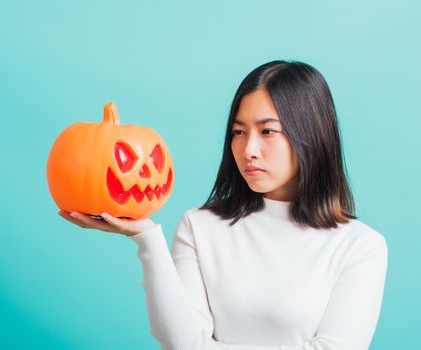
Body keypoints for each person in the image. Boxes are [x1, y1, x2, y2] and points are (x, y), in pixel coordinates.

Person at [58, 60, 388, 350]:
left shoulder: (361, 246)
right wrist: (147, 239)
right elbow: (182, 346)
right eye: (238, 132)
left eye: (268, 131)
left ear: (312, 135)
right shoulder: (199, 226)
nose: (248, 150)